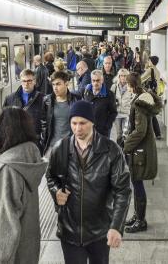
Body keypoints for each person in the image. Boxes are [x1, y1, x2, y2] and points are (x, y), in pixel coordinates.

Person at [46, 101, 132, 264]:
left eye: (83, 123)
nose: (78, 128)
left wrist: (116, 226)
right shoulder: (61, 148)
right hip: (69, 231)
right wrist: (56, 190)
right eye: (74, 123)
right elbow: (50, 176)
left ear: (92, 122)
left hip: (99, 232)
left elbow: (123, 190)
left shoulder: (110, 150)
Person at [0, 107, 47, 264]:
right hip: (25, 249)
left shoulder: (7, 170)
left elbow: (8, 225)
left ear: (4, 130)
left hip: (2, 255)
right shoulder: (28, 156)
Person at [122, 73, 163, 233]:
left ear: (131, 85)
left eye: (127, 84)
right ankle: (137, 215)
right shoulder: (143, 98)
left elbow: (140, 131)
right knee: (136, 183)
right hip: (141, 150)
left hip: (139, 151)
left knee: (137, 184)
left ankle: (141, 221)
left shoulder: (139, 104)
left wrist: (126, 145)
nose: (126, 86)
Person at [3, 69, 45, 152]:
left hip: (35, 142)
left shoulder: (43, 99)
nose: (26, 84)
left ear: (34, 81)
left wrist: (42, 141)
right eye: (24, 81)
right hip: (15, 141)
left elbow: (47, 122)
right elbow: (3, 120)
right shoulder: (10, 98)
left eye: (29, 81)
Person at [40, 71, 81, 154]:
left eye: (58, 84)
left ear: (66, 84)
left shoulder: (76, 100)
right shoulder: (47, 101)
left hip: (71, 147)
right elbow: (43, 124)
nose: (55, 88)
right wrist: (43, 142)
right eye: (53, 84)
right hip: (52, 146)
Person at [83, 70, 118, 138]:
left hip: (102, 131)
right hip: (88, 130)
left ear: (102, 80)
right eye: (93, 80)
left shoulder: (109, 94)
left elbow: (113, 112)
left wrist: (107, 126)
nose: (95, 83)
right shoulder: (86, 92)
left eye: (98, 80)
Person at [141, 56, 163, 139]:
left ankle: (147, 134)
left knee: (147, 114)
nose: (148, 61)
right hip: (155, 94)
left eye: (149, 60)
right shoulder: (157, 71)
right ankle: (157, 133)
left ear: (151, 61)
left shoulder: (150, 70)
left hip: (149, 94)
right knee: (151, 114)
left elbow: (141, 79)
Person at [111, 68, 133, 141]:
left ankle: (125, 151)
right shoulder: (114, 87)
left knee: (125, 134)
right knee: (119, 134)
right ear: (119, 76)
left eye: (125, 76)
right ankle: (119, 150)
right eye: (121, 75)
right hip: (117, 114)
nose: (123, 77)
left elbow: (133, 99)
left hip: (127, 113)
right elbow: (110, 99)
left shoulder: (131, 86)